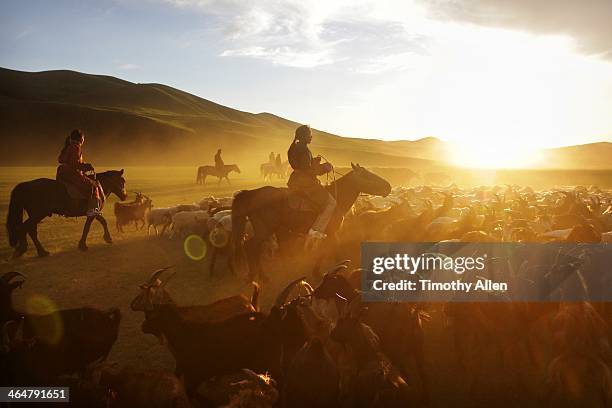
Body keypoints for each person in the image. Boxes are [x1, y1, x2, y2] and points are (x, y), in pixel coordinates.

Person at [287, 124, 336, 248]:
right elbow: (307, 171)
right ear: (304, 136)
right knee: (331, 203)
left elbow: (302, 165)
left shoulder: (295, 147)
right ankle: (315, 232)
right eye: (310, 135)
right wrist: (325, 168)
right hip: (305, 183)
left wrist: (313, 161)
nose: (311, 137)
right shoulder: (303, 149)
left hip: (296, 180)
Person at [56, 129, 103, 216]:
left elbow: (61, 159)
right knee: (92, 185)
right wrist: (87, 166)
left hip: (62, 173)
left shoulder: (68, 146)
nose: (84, 140)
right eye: (83, 138)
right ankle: (91, 210)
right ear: (80, 138)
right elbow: (75, 163)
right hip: (71, 174)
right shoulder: (76, 147)